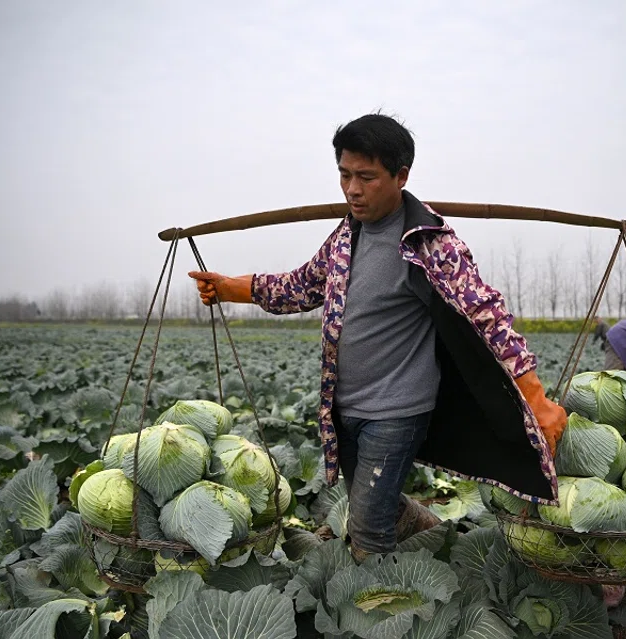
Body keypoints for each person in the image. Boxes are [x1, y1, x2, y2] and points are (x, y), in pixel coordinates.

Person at [189, 113, 567, 562]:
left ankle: (379, 606)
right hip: (344, 407)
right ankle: (422, 527)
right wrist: (233, 288)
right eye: (345, 176)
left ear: (400, 176)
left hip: (398, 409)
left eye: (366, 177)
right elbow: (302, 285)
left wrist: (535, 397)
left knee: (365, 527)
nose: (352, 189)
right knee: (373, 501)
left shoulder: (429, 243)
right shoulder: (346, 237)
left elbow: (487, 315)